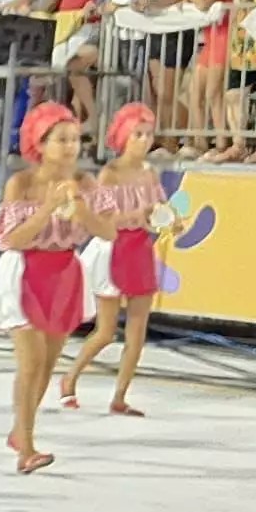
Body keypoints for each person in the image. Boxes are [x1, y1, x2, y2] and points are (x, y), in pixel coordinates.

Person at [0, 104, 92, 473]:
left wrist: (86, 211)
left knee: (47, 364)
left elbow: (107, 229)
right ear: (41, 142)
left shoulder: (85, 184)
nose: (70, 147)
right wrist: (46, 209)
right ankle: (26, 448)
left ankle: (21, 431)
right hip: (25, 270)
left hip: (64, 273)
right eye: (61, 139)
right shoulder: (22, 183)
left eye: (75, 139)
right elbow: (10, 237)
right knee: (30, 364)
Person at [60, 103, 172, 417]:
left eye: (149, 134)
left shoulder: (151, 174)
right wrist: (140, 214)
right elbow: (104, 217)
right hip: (112, 247)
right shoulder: (110, 173)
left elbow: (161, 209)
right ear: (124, 135)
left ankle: (120, 395)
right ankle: (70, 376)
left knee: (138, 330)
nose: (145, 140)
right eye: (138, 133)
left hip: (139, 248)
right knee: (106, 330)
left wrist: (170, 220)